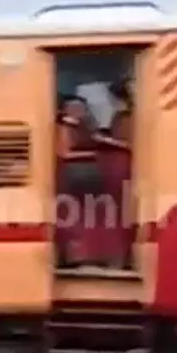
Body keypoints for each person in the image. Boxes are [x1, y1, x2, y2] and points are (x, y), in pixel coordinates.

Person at [56, 95, 104, 268]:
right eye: (75, 107)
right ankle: (73, 255)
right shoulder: (65, 127)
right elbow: (64, 152)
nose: (80, 111)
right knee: (74, 217)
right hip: (73, 174)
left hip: (84, 175)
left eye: (82, 108)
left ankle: (85, 253)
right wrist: (92, 154)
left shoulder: (85, 127)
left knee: (85, 217)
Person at [92, 79, 134, 267]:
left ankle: (119, 258)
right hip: (115, 168)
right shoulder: (121, 116)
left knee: (119, 214)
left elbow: (130, 143)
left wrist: (105, 140)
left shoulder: (128, 117)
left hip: (121, 168)